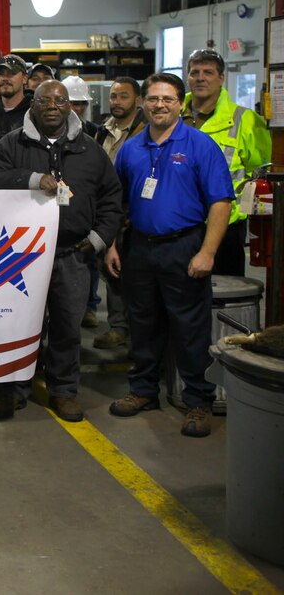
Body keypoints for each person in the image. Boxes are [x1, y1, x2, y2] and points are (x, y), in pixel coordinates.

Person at [0, 80, 123, 423]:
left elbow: (112, 198)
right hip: (20, 257)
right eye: (46, 100)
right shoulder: (11, 145)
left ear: (70, 105)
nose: (53, 106)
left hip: (72, 253)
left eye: (60, 101)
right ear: (34, 105)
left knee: (67, 327)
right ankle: (11, 390)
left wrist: (99, 239)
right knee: (17, 326)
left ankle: (64, 391)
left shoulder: (90, 150)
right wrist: (32, 179)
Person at [106, 73, 235, 437]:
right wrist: (114, 244)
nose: (159, 105)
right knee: (142, 324)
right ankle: (144, 390)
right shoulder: (132, 148)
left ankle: (198, 401)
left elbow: (221, 202)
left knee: (190, 329)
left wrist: (208, 251)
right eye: (152, 98)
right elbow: (118, 202)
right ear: (143, 102)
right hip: (139, 248)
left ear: (181, 103)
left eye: (167, 99)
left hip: (184, 247)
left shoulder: (199, 145)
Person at [180, 48, 272, 276]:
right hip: (179, 224)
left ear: (221, 78)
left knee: (226, 298)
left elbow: (261, 170)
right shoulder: (174, 116)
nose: (200, 78)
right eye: (195, 72)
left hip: (226, 227)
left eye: (208, 72)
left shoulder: (244, 119)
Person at [92, 77, 145, 351]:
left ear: (137, 100)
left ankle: (139, 332)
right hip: (108, 210)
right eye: (113, 97)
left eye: (123, 96)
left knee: (136, 274)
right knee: (111, 270)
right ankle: (118, 327)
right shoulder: (103, 130)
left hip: (136, 212)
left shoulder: (146, 130)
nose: (116, 102)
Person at [62, 75, 103, 328]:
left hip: (85, 204)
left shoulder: (93, 132)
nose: (78, 108)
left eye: (81, 104)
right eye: (73, 103)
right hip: (58, 204)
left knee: (90, 260)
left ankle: (90, 306)